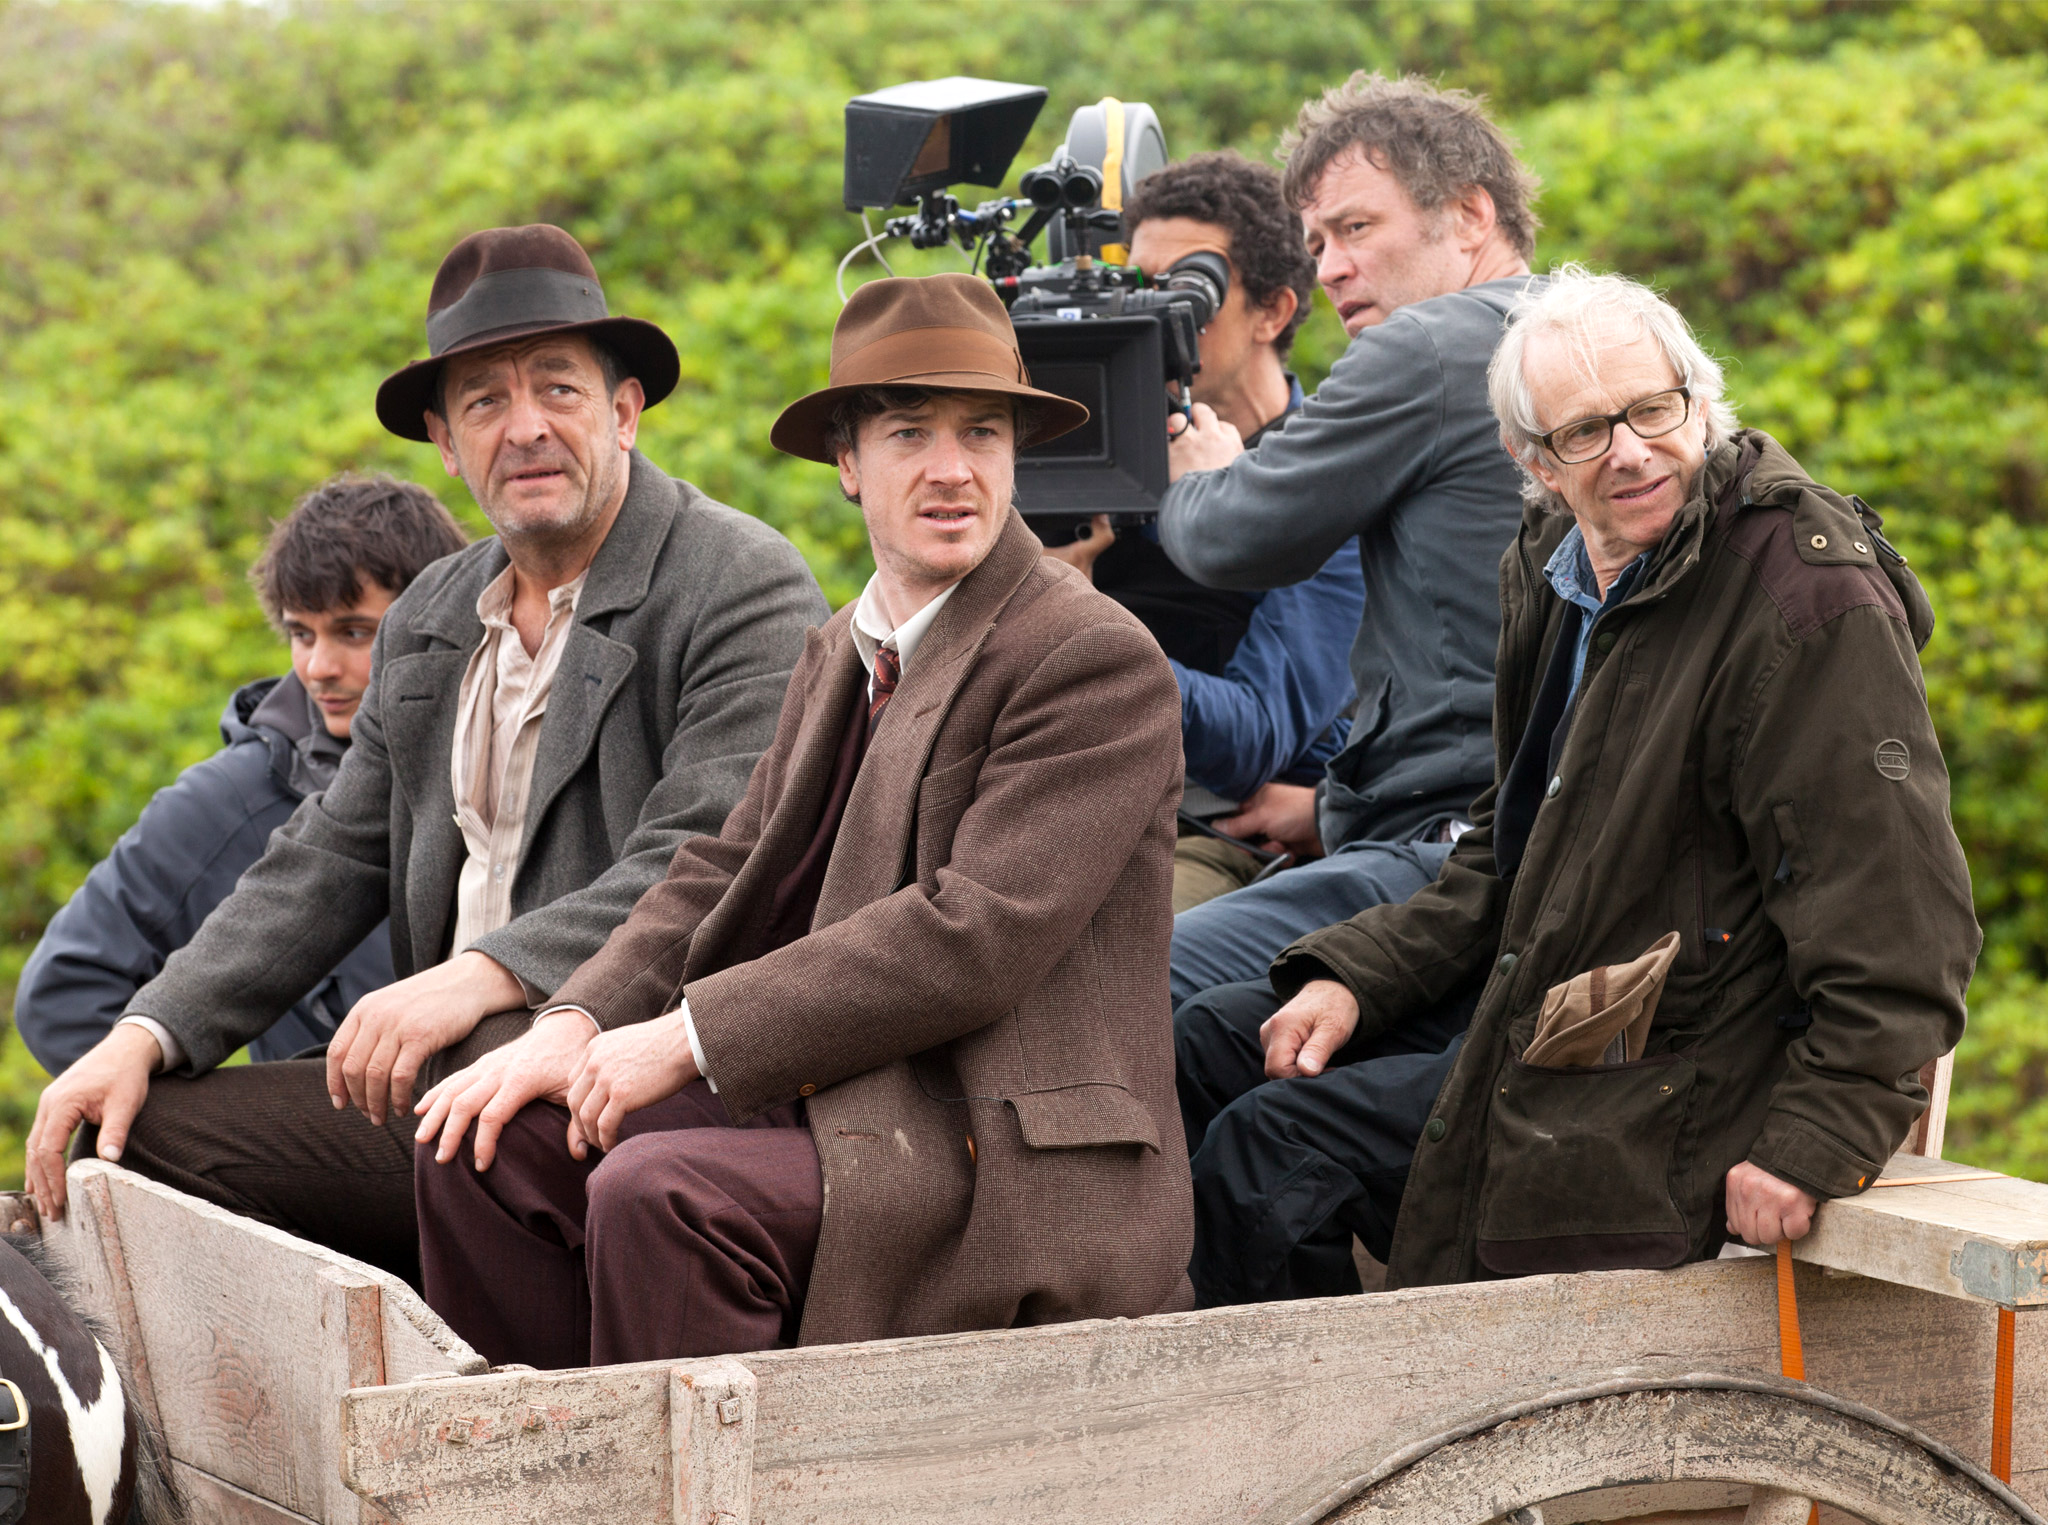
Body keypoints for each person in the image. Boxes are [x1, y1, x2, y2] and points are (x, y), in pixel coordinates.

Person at [408, 273, 1192, 1369]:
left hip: (1003, 1153)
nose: (952, 469)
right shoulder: (841, 647)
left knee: (662, 1189)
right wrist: (576, 1022)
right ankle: (546, 1479)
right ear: (846, 465)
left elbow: (968, 936)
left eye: (980, 432)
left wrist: (684, 1041)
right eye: (909, 434)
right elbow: (724, 865)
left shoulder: (1088, 654)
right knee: (484, 1143)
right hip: (848, 1103)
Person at [22, 225, 829, 1285]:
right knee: (134, 1136)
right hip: (445, 1079)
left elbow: (706, 852)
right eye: (485, 402)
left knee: (465, 1135)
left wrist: (483, 975)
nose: (526, 427)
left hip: (629, 1070)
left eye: (558, 390)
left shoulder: (737, 583)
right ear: (447, 444)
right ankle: (318, 1404)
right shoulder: (436, 614)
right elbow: (329, 855)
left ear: (624, 412)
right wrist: (146, 1034)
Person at [1179, 266, 1978, 1306]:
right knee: (1212, 1039)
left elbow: (1901, 922)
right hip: (1552, 996)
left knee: (1271, 1152)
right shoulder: (1555, 562)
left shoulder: (1806, 599)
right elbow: (1502, 855)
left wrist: (1815, 1138)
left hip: (1678, 1061)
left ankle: (1332, 1448)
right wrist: (1356, 977)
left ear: (1700, 401)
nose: (1632, 451)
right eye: (1586, 431)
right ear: (1534, 460)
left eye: (1653, 409)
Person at [1155, 74, 1539, 1007]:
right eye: (1317, 242)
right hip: (1527, 831)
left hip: (1445, 852)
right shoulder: (1597, 328)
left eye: (1356, 229)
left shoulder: (1431, 347)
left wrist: (1199, 475)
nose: (1327, 268)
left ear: (1470, 213)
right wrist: (1326, 807)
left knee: (1115, 990)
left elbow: (1228, 541)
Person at [17, 477, 469, 1073]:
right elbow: (62, 991)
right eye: (301, 634)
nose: (318, 667)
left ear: (438, 619)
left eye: (354, 632)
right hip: (332, 1151)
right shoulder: (230, 799)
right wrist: (209, 1140)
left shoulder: (506, 750)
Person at [1043, 152, 1365, 914]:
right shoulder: (1084, 438)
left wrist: (1081, 613)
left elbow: (1255, 737)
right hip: (1041, 798)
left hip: (1198, 827)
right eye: (1140, 286)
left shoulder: (1328, 479)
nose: (1154, 315)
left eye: (1191, 288)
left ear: (1273, 312)